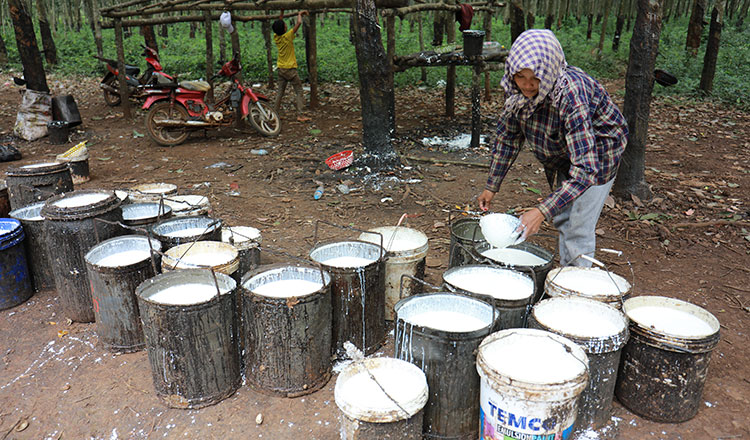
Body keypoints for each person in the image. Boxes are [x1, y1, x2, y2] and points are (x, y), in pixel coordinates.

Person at [477, 29, 628, 267]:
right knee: (564, 216)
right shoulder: (517, 95)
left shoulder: (570, 94)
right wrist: (491, 186)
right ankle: (567, 270)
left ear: (547, 72)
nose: (527, 85)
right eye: (520, 77)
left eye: (534, 79)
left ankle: (575, 288)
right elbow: (508, 138)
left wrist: (540, 211)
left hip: (598, 153)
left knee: (579, 226)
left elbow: (586, 170)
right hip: (564, 152)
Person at [272, 10, 310, 122]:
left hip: (281, 69)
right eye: (284, 25)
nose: (286, 25)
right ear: (284, 29)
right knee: (299, 91)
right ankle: (300, 115)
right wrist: (299, 14)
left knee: (280, 92)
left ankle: (275, 113)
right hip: (290, 70)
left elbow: (279, 23)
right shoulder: (288, 36)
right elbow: (298, 23)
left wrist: (282, 13)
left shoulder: (276, 37)